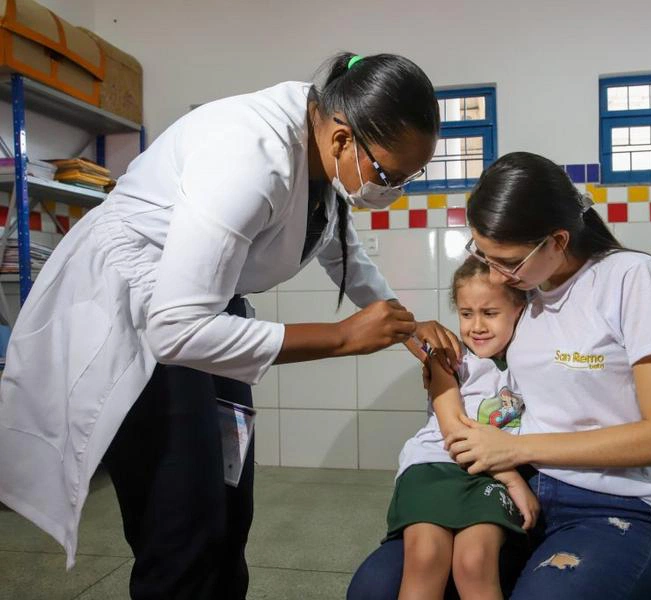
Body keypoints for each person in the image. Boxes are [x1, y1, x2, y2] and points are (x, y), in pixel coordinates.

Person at [0, 52, 457, 600]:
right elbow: (175, 331)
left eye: (411, 176)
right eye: (391, 174)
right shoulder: (249, 154)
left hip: (203, 312)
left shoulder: (322, 146)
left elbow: (342, 253)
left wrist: (407, 325)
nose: (396, 190)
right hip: (139, 319)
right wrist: (341, 337)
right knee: (182, 526)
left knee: (229, 506)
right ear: (342, 139)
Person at [348, 151, 651, 600]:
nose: (496, 275)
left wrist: (514, 448)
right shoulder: (524, 292)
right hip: (515, 491)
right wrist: (429, 341)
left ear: (557, 240)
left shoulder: (632, 278)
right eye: (483, 255)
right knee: (375, 590)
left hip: (606, 505)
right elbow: (473, 371)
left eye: (506, 261)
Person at [390, 256, 537, 600]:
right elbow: (454, 430)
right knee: (425, 558)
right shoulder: (448, 356)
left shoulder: (532, 360)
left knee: (474, 562)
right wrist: (513, 478)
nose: (476, 326)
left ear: (520, 309)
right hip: (433, 467)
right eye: (466, 313)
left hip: (486, 476)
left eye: (490, 313)